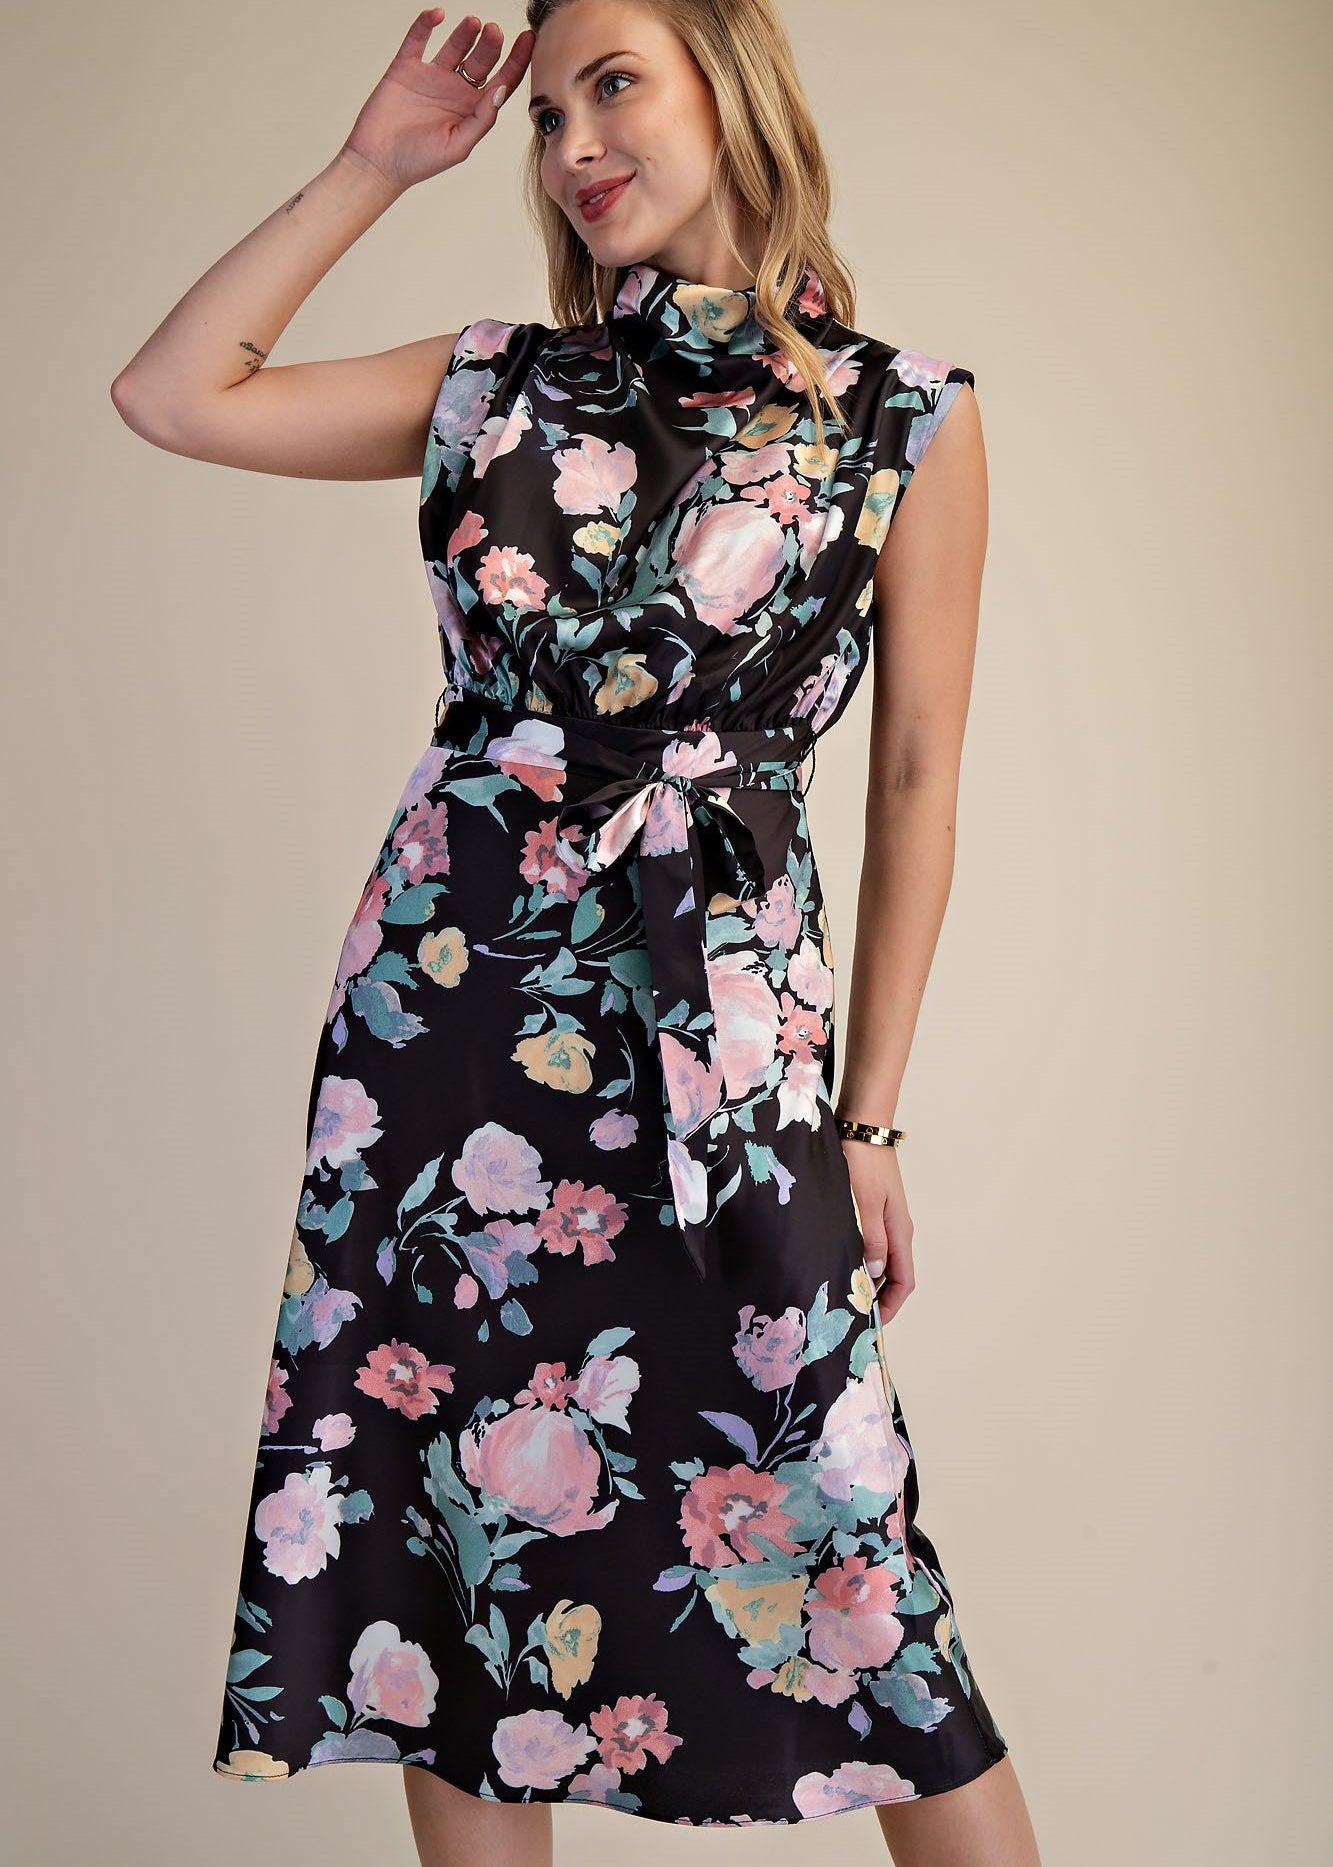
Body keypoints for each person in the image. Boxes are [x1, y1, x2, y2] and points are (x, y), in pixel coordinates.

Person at [111, 3, 1042, 1861]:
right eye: (547, 115)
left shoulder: (903, 419)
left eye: (613, 85)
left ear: (734, 94)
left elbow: (918, 778)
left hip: (725, 1040)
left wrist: (866, 1120)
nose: (571, 143)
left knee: (843, 1536)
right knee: (458, 1527)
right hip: (455, 1018)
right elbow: (173, 393)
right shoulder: (489, 387)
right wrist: (379, 163)